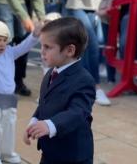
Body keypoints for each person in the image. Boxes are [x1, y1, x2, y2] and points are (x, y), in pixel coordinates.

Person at [0, 20, 46, 164]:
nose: (2, 44)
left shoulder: (9, 53)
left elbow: (25, 46)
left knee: (8, 131)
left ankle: (7, 153)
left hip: (10, 102)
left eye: (4, 40)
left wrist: (35, 35)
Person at [24, 17, 96, 164]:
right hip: (49, 151)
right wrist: (34, 122)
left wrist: (50, 125)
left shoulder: (83, 80)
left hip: (73, 155)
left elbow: (77, 112)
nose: (42, 52)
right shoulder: (50, 73)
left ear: (70, 50)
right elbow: (45, 103)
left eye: (48, 47)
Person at [0, 0, 46, 96]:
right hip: (1, 0)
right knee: (5, 42)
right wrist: (24, 17)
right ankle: (0, 82)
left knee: (25, 38)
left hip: (20, 1)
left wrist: (43, 19)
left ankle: (18, 80)